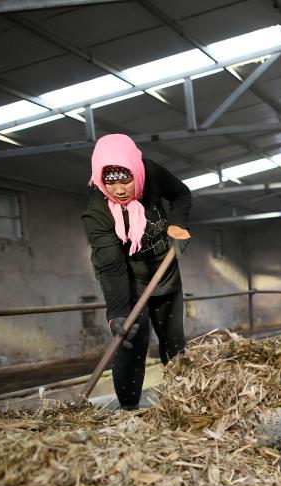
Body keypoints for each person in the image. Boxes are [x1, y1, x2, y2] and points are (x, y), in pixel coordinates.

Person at [82, 133, 192, 410]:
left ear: (136, 171)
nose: (119, 191)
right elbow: (111, 266)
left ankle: (183, 401)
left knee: (173, 342)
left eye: (126, 181)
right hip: (128, 280)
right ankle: (129, 410)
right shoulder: (96, 212)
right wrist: (117, 313)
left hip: (164, 272)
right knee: (131, 341)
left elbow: (181, 194)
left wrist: (176, 226)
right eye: (111, 183)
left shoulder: (151, 173)